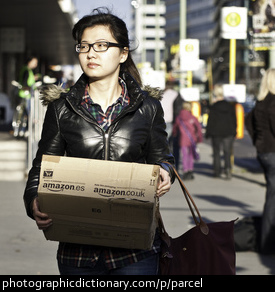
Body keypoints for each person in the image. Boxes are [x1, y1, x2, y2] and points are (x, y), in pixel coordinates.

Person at [23, 8, 175, 275]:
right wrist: (34, 200)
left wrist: (164, 172)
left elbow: (163, 157)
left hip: (135, 253)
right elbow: (42, 166)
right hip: (78, 251)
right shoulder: (61, 108)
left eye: (102, 45)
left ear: (123, 53)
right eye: (84, 46)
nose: (91, 53)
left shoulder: (148, 108)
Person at [245, 68, 275, 254]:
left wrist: (258, 141)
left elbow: (249, 123)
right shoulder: (273, 103)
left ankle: (267, 243)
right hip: (273, 153)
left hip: (264, 153)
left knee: (271, 196)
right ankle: (268, 244)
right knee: (273, 198)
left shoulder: (261, 103)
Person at [205, 84, 237, 179]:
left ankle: (217, 171)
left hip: (216, 132)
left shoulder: (213, 107)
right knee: (227, 152)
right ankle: (228, 170)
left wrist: (208, 133)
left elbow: (210, 121)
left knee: (216, 152)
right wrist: (234, 130)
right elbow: (233, 120)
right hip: (228, 132)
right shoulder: (230, 106)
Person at [172, 102, 203, 180]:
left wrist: (174, 134)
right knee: (191, 156)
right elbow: (198, 128)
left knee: (185, 155)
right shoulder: (192, 117)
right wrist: (199, 138)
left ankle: (185, 171)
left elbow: (175, 128)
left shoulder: (179, 117)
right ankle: (190, 170)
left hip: (183, 139)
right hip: (192, 139)